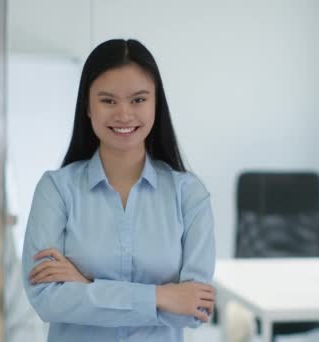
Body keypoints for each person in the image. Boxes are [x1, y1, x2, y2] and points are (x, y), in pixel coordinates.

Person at [22, 38, 216, 342]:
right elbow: (47, 300)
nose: (124, 114)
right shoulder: (56, 190)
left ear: (156, 103)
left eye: (138, 100)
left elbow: (194, 309)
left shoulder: (189, 196)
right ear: (87, 105)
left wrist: (86, 286)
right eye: (108, 100)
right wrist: (162, 296)